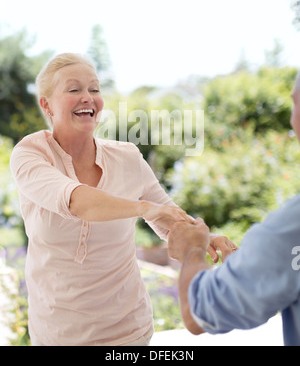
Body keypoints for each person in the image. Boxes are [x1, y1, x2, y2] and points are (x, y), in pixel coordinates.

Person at [10, 53, 236, 346]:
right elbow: (77, 202)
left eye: (94, 89)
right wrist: (144, 208)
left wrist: (204, 236)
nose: (87, 97)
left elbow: (167, 218)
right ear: (46, 104)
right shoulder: (31, 154)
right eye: (74, 89)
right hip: (57, 333)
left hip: (129, 331)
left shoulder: (127, 157)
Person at [168, 72, 300, 347]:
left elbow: (197, 312)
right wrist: (253, 271)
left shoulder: (290, 229)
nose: (292, 119)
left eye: (295, 104)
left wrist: (192, 249)